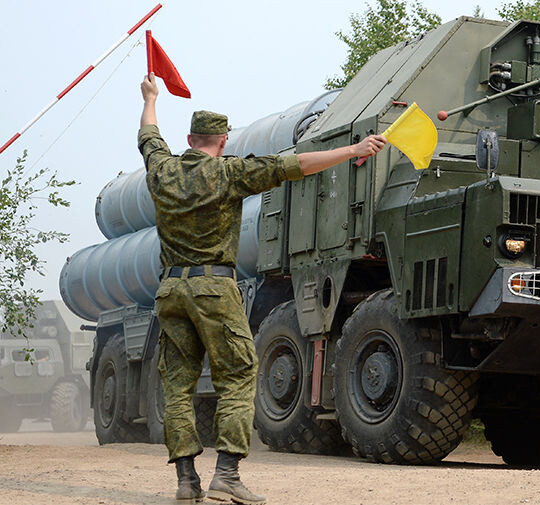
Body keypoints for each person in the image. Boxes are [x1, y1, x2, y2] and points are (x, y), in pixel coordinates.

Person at [138, 73, 386, 504]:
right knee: (237, 374)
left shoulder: (162, 170)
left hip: (170, 291)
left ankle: (185, 481)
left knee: (177, 387)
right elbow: (295, 166)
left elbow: (148, 136)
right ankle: (227, 475)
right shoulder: (230, 172)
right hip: (213, 289)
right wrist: (354, 149)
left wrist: (150, 97)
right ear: (223, 140)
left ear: (191, 138)